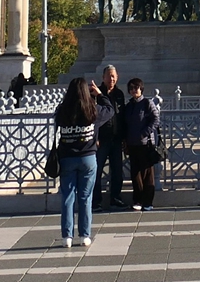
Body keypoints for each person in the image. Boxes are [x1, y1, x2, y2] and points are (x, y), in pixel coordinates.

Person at [52, 77, 116, 247]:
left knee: (67, 196)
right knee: (85, 197)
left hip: (67, 157)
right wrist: (100, 94)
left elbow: (55, 123)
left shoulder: (63, 110)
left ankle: (67, 236)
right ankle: (84, 235)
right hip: (87, 157)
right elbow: (110, 110)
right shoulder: (92, 109)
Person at [120, 77, 161, 210]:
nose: (133, 90)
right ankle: (138, 200)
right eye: (131, 88)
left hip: (145, 143)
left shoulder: (147, 103)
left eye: (136, 88)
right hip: (132, 143)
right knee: (135, 173)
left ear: (141, 89)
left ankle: (148, 202)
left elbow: (156, 120)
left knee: (147, 173)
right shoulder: (129, 106)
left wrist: (145, 132)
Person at [94, 65, 129, 208]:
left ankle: (115, 198)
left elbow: (122, 116)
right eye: (109, 76)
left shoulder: (119, 94)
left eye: (114, 76)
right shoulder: (96, 93)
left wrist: (125, 137)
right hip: (101, 139)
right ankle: (96, 201)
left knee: (117, 171)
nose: (112, 79)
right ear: (103, 77)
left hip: (116, 138)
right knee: (96, 170)